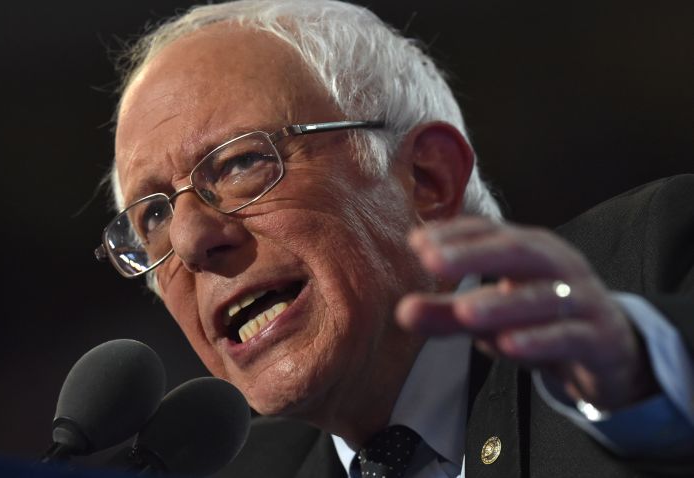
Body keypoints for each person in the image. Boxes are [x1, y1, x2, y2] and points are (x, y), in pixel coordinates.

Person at [94, 1, 694, 476]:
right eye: (153, 219)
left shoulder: (645, 268)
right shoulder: (236, 471)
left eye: (239, 164)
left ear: (427, 179)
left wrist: (644, 385)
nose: (193, 237)